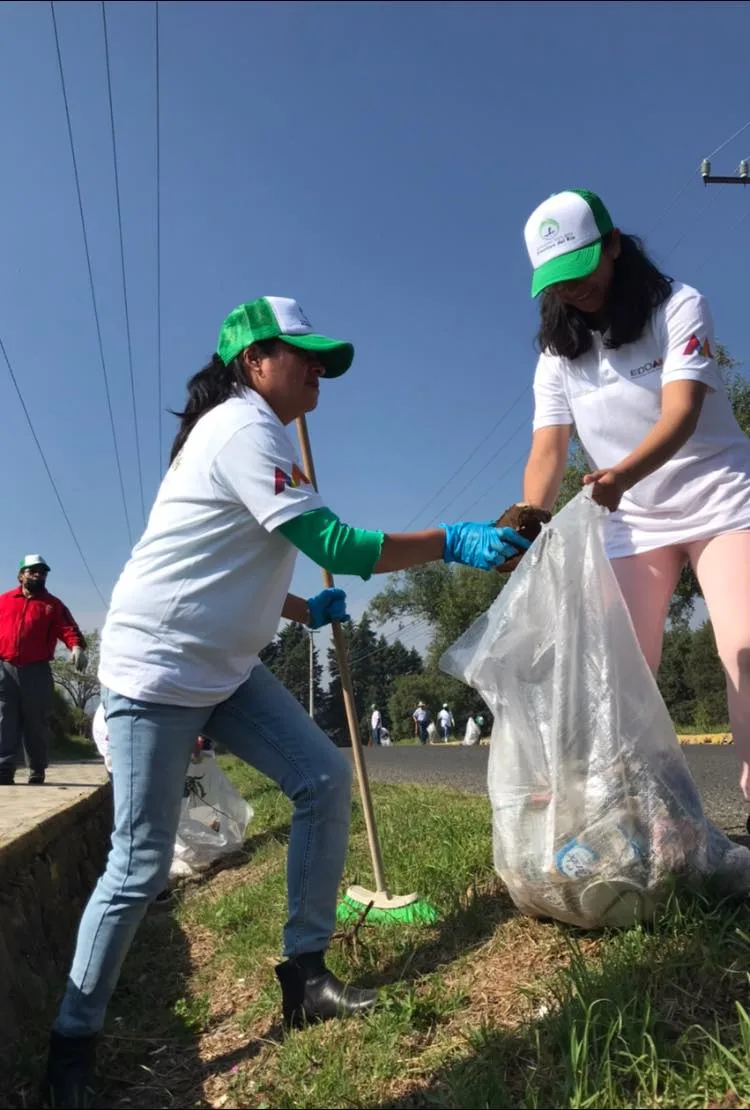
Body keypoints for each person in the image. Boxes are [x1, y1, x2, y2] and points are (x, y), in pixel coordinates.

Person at [44, 295, 530, 1106]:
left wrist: (306, 608)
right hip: (156, 671)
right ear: (251, 361)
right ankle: (71, 1045)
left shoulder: (254, 434)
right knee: (135, 865)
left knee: (321, 778)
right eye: (301, 354)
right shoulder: (242, 429)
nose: (316, 370)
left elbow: (230, 565)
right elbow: (335, 544)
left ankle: (304, 975)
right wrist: (452, 538)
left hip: (224, 667)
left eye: (322, 359)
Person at [521, 188, 750, 810]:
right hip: (632, 518)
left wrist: (620, 473)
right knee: (615, 669)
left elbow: (680, 414)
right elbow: (548, 450)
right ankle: (617, 817)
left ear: (614, 245)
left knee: (744, 651)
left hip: (721, 499)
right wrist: (531, 520)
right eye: (557, 281)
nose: (572, 289)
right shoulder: (555, 352)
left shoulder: (679, 306)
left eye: (581, 270)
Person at [0, 555, 87, 786]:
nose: (38, 575)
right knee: (3, 719)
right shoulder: (5, 600)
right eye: (33, 571)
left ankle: (36, 770)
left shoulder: (52, 605)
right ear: (21, 575)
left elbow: (68, 628)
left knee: (35, 722)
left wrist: (76, 646)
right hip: (4, 669)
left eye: (42, 572)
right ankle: (4, 769)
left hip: (36, 670)